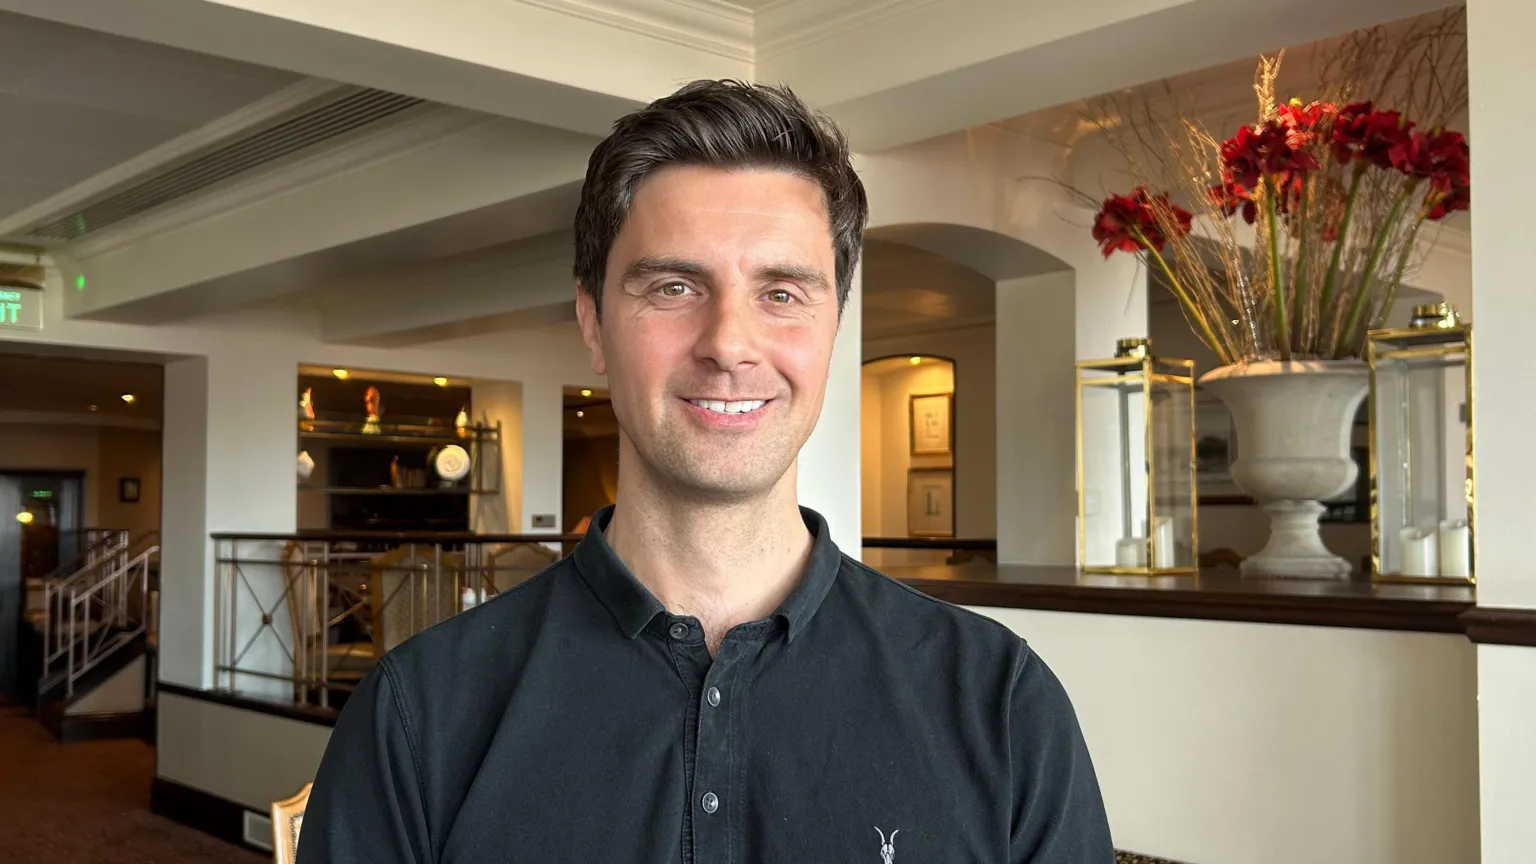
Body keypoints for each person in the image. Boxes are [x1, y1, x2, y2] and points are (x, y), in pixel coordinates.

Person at [297, 79, 1114, 863]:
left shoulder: (1001, 705)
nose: (728, 342)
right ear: (593, 323)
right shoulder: (419, 715)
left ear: (834, 325)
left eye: (782, 293)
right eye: (675, 286)